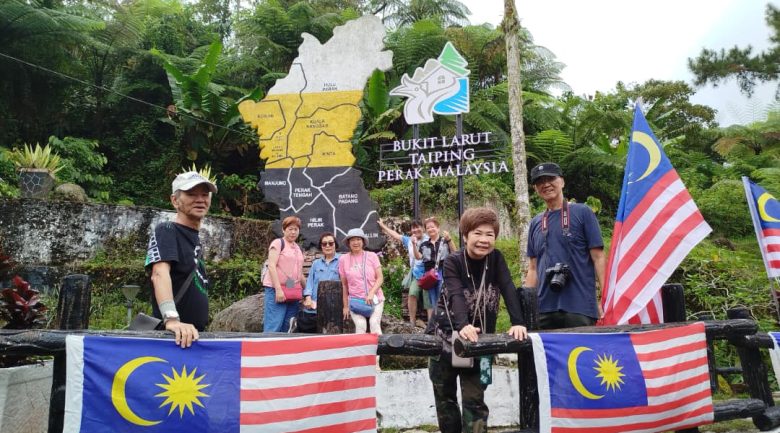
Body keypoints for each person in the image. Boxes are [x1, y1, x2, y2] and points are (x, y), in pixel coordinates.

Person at [427, 207, 527, 433]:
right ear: (465, 236)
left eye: (489, 234)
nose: (483, 240)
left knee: (475, 401)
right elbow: (454, 294)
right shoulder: (453, 261)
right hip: (443, 338)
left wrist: (518, 321)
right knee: (445, 400)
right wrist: (463, 325)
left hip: (479, 342)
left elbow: (508, 288)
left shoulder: (497, 259)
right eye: (477, 234)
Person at [523, 162, 606, 329]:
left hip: (579, 307)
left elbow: (598, 258)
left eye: (550, 178)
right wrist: (525, 310)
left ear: (562, 181)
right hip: (543, 309)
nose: (546, 184)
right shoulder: (535, 222)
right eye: (540, 181)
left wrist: (606, 298)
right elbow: (533, 268)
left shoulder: (583, 212)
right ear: (535, 189)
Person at [145, 171, 217, 348]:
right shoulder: (167, 230)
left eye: (204, 194)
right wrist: (172, 319)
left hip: (192, 337)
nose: (200, 199)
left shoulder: (194, 237)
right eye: (191, 194)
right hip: (173, 338)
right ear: (175, 201)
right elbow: (159, 274)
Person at [378, 219, 431, 326]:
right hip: (416, 274)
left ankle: (431, 323)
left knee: (428, 296)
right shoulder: (409, 241)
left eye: (418, 227)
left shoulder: (429, 239)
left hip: (429, 274)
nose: (416, 230)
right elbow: (396, 235)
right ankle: (412, 321)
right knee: (412, 293)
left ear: (423, 228)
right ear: (411, 230)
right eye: (413, 228)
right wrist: (382, 226)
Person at [262, 216, 306, 332]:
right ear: (283, 230)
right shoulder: (278, 243)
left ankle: (283, 350)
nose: (293, 232)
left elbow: (299, 273)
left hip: (292, 289)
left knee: (288, 325)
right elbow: (271, 266)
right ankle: (268, 349)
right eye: (290, 229)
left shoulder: (298, 248)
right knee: (274, 325)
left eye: (296, 229)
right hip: (276, 289)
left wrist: (306, 292)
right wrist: (278, 290)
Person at [339, 228, 384, 335]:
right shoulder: (343, 259)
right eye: (352, 240)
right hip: (355, 300)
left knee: (374, 323)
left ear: (363, 241)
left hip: (375, 299)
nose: (355, 242)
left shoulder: (372, 256)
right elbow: (344, 285)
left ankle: (378, 351)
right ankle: (362, 351)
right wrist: (345, 306)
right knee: (360, 326)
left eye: (358, 239)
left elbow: (380, 278)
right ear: (348, 243)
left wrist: (371, 293)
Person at [298, 232, 340, 333]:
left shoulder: (342, 261)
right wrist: (307, 298)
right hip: (315, 304)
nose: (328, 246)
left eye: (330, 243)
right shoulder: (316, 264)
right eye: (324, 244)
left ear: (335, 245)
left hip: (334, 304)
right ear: (321, 246)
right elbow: (310, 283)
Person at [416, 216, 456, 308]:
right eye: (428, 228)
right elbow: (418, 257)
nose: (430, 229)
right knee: (433, 299)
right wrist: (414, 245)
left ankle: (444, 318)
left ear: (438, 228)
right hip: (429, 274)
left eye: (432, 227)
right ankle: (437, 318)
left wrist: (449, 239)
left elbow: (454, 252)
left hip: (443, 271)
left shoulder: (445, 241)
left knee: (442, 297)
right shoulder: (424, 245)